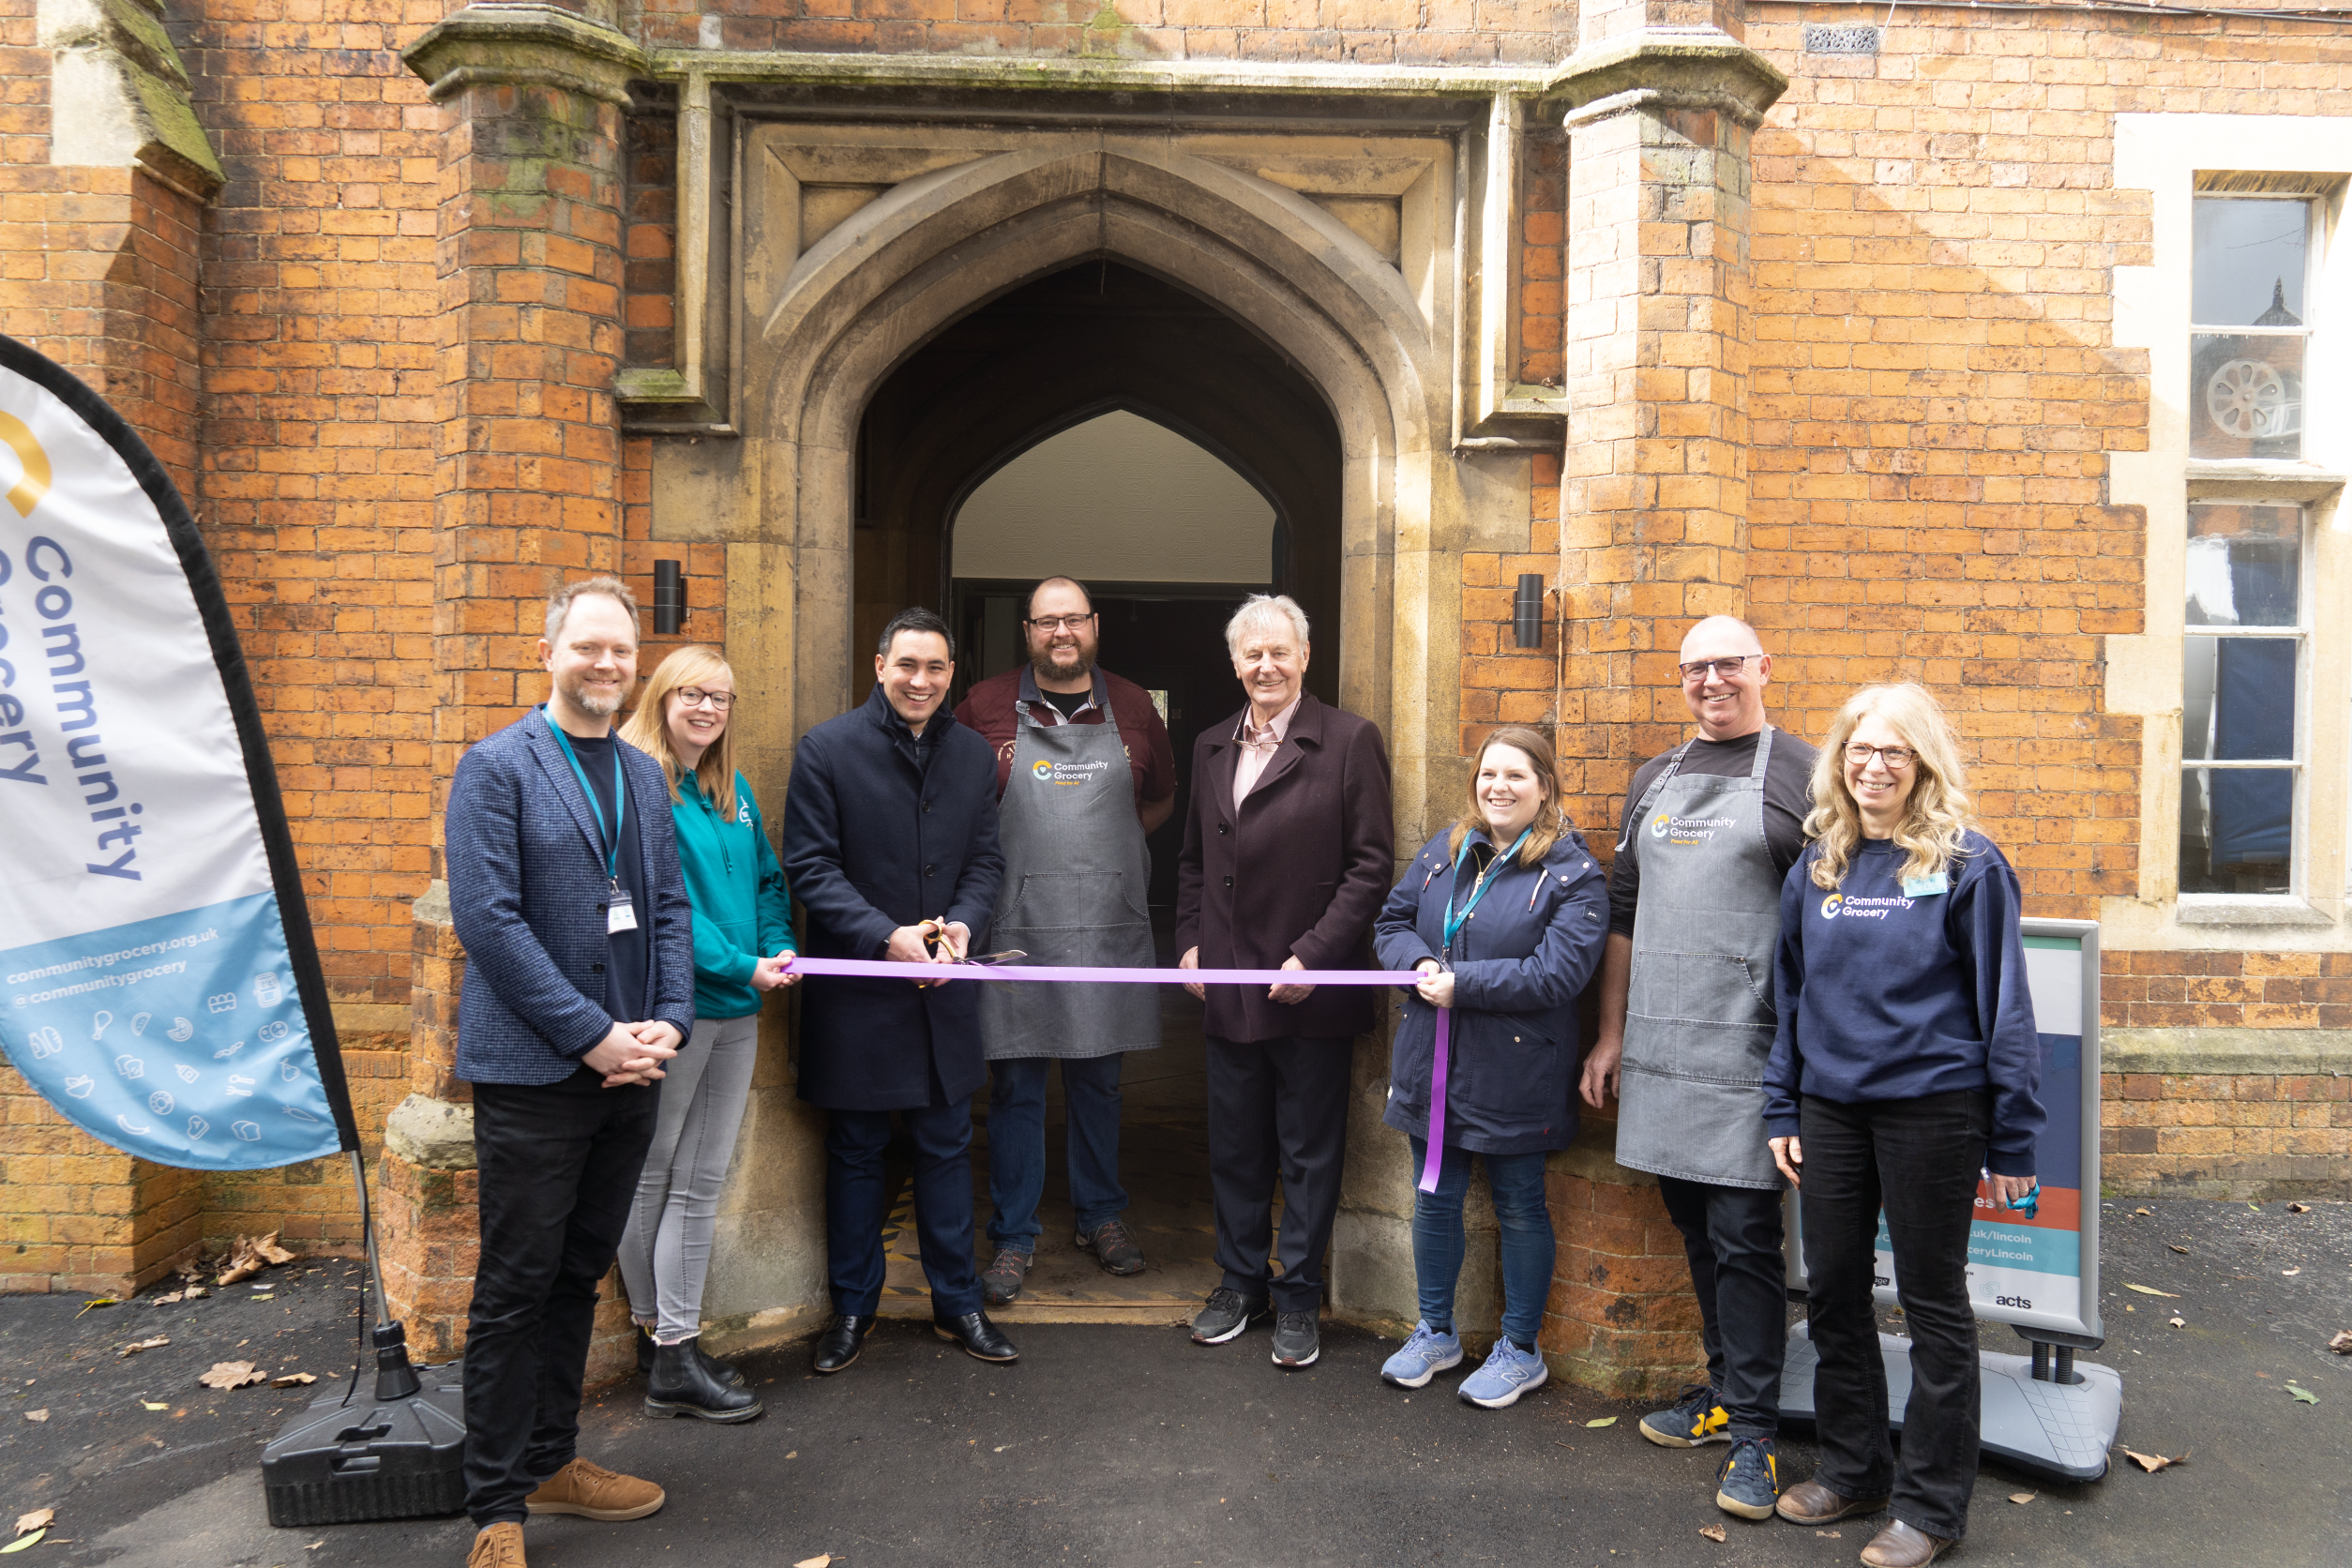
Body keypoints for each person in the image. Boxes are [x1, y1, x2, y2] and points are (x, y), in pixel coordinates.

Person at [444, 577, 695, 1568]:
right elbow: (489, 922)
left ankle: (553, 1459)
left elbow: (667, 908)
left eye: (621, 651)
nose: (606, 664)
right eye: (588, 646)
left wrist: (669, 1021)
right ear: (549, 650)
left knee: (576, 1274)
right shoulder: (496, 767)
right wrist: (591, 1034)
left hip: (633, 1070)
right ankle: (495, 1505)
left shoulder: (642, 773)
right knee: (515, 1283)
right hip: (539, 1072)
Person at [1765, 684, 2042, 1568]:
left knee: (1932, 1305)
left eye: (1895, 752)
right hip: (1831, 1108)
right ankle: (1854, 1471)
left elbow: (2008, 1008)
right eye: (1859, 751)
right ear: (1838, 761)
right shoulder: (1821, 861)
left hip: (1933, 1109)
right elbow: (1789, 993)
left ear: (1923, 763)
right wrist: (1783, 1101)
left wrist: (2015, 1141)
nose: (1874, 766)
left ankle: (1930, 1507)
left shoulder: (1969, 864)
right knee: (1836, 1291)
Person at [1578, 615, 1817, 1522]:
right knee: (1692, 1225)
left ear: (1763, 667)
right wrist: (1610, 1037)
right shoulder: (1655, 779)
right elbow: (1624, 913)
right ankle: (1724, 1395)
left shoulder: (1801, 773)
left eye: (1728, 664)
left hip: (1751, 1049)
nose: (1711, 680)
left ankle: (1757, 1436)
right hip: (1664, 1047)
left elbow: (1820, 920)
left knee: (1748, 1241)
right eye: (1695, 668)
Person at [779, 607, 1016, 1373]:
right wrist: (888, 934)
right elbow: (810, 868)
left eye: (937, 668)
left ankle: (960, 1303)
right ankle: (853, 1308)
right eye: (908, 665)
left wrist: (968, 928)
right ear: (879, 667)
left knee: (948, 1146)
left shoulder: (976, 756)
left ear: (952, 676)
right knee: (856, 1150)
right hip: (860, 993)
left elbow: (985, 862)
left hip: (944, 987)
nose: (921, 681)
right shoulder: (827, 749)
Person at [1175, 593, 1393, 1369]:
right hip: (1229, 985)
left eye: (1280, 652)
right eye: (1251, 654)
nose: (1265, 666)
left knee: (1307, 1149)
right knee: (1235, 1145)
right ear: (1234, 664)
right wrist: (1191, 944)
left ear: (1305, 657)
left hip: (1310, 989)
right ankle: (1241, 1283)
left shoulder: (1347, 741)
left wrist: (1317, 957)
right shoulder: (1208, 746)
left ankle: (1299, 1293)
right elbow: (1195, 863)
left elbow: (1371, 868)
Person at [952, 576, 1179, 1305]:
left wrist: (1104, 863)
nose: (1061, 633)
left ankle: (1100, 1215)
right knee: (1015, 1084)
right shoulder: (982, 705)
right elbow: (957, 804)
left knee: (1099, 1080)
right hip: (1015, 922)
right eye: (1047, 622)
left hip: (1105, 926)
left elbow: (1162, 796)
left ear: (1094, 625)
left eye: (1073, 620)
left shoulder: (1136, 705)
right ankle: (1013, 1234)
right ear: (1028, 631)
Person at [1373, 726, 1609, 1408]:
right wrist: (1417, 965)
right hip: (1431, 1060)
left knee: (1520, 1207)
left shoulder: (1572, 875)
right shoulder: (1446, 852)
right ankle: (1436, 1331)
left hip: (1517, 1073)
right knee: (1435, 1196)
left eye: (1516, 776)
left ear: (1545, 787)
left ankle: (1520, 1349)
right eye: (1488, 775)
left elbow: (1557, 975)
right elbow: (1391, 924)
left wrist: (1463, 984)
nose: (1498, 787)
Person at [614, 645, 798, 1423]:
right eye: (693, 695)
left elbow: (765, 879)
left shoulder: (732, 788)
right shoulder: (638, 784)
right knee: (659, 1179)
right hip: (676, 1009)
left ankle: (667, 1344)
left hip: (738, 1012)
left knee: (694, 1180)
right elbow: (667, 911)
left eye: (721, 699)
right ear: (661, 697)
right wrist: (743, 965)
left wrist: (778, 945)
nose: (708, 710)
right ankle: (668, 1345)